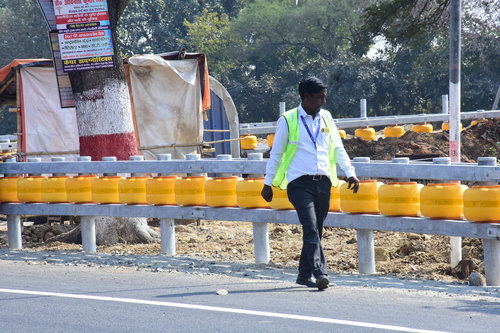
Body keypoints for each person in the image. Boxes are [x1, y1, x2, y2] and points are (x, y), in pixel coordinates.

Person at [261, 77, 360, 290]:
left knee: (316, 229)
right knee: (310, 227)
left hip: (323, 182)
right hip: (299, 183)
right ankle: (319, 272)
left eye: (325, 97)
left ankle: (303, 274)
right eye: (320, 97)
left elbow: (338, 148)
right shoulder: (288, 120)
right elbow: (276, 154)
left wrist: (350, 173)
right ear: (307, 97)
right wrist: (267, 183)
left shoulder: (326, 118)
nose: (324, 101)